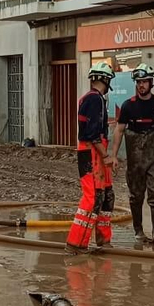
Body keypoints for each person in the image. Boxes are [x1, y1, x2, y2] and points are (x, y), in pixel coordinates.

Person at [110, 64, 154, 244]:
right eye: (138, 82)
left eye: (144, 81)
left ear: (151, 82)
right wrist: (114, 155)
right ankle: (138, 232)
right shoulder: (128, 106)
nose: (141, 85)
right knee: (136, 195)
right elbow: (118, 131)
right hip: (135, 160)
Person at [67, 63, 117, 253]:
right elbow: (93, 134)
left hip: (94, 151)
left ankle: (103, 240)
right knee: (93, 197)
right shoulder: (95, 100)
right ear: (106, 79)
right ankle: (76, 243)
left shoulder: (90, 99)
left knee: (106, 196)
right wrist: (106, 157)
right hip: (92, 153)